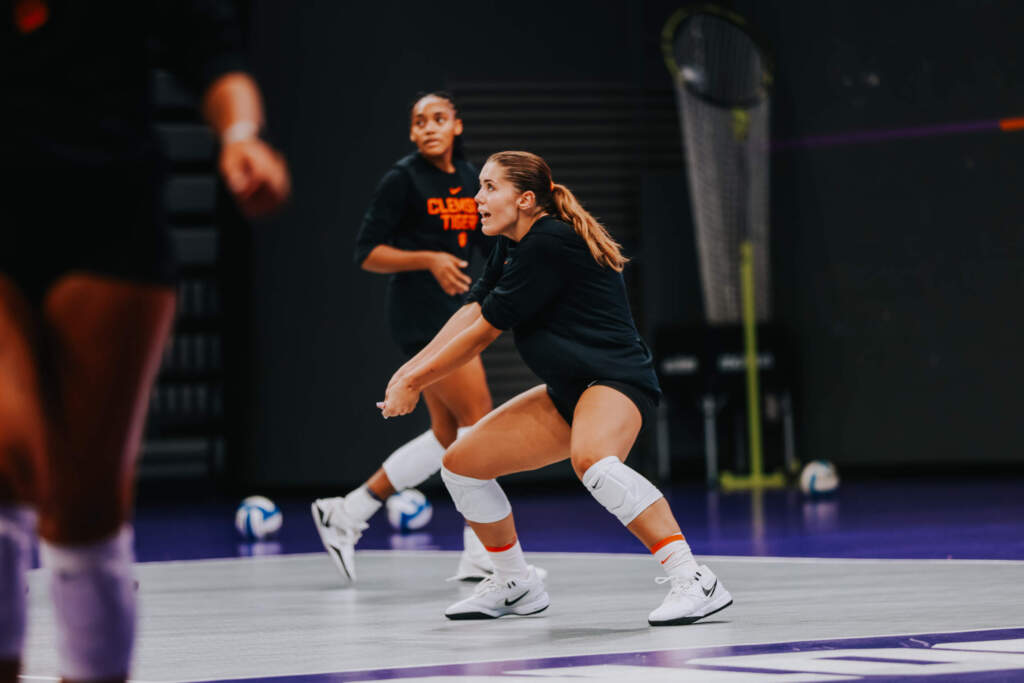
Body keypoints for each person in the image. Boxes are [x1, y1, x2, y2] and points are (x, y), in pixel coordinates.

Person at [1, 2, 290, 681]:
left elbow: (212, 50)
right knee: (8, 449)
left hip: (110, 214)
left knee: (85, 506)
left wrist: (241, 135)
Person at [377, 151, 733, 625]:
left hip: (616, 382)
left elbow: (483, 332)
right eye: (479, 186)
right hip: (569, 390)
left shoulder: (548, 242)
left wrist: (415, 382)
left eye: (489, 187)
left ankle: (694, 579)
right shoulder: (512, 243)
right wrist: (408, 373)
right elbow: (471, 309)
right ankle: (515, 583)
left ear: (525, 200)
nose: (477, 197)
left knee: (595, 463)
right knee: (461, 466)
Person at [311, 92, 500, 583]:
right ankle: (482, 552)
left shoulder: (468, 178)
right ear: (412, 133)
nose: (429, 127)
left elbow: (487, 242)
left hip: (455, 313)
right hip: (421, 315)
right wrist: (428, 259)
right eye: (420, 122)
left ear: (457, 125)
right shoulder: (402, 179)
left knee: (446, 433)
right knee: (478, 421)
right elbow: (366, 253)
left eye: (439, 119)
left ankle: (347, 513)